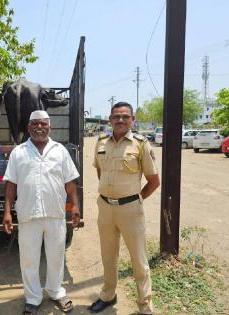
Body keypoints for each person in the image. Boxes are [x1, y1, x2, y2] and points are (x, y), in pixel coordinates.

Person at [2, 110, 81, 315]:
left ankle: (56, 291)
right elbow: (11, 184)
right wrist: (7, 212)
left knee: (56, 256)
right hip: (29, 215)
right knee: (29, 259)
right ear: (28, 128)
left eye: (43, 124)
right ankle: (33, 298)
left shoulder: (60, 151)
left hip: (55, 215)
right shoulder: (19, 152)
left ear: (49, 127)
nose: (39, 127)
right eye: (35, 124)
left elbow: (70, 182)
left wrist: (75, 206)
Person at [89, 102, 160, 315]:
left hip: (130, 209)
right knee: (108, 256)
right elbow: (101, 172)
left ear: (132, 120)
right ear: (110, 120)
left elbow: (154, 181)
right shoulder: (101, 142)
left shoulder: (140, 144)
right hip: (105, 208)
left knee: (139, 260)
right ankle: (108, 296)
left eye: (125, 117)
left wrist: (136, 199)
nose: (120, 120)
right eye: (116, 117)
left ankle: (145, 306)